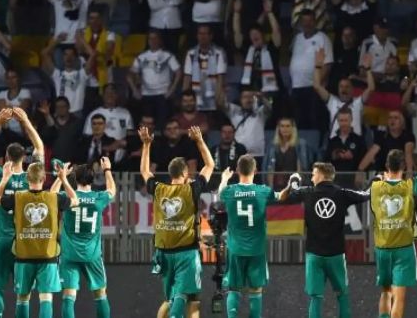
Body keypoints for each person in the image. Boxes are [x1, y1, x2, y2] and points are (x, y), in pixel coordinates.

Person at [139, 125, 215, 318]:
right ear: (184, 174)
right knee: (182, 295)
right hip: (185, 253)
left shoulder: (158, 189)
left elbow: (145, 171)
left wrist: (146, 145)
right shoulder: (191, 189)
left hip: (163, 253)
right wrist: (199, 141)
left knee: (170, 298)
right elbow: (210, 166)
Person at [278, 162, 370, 318]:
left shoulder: (307, 192)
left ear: (321, 175)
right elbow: (366, 195)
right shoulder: (342, 193)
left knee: (316, 298)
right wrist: (376, 182)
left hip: (314, 254)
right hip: (336, 254)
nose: (312, 177)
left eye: (314, 174)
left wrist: (293, 181)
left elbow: (286, 196)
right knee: (342, 295)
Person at [0, 155, 78, 318]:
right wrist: (63, 179)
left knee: (23, 297)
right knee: (46, 297)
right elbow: (75, 199)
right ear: (44, 178)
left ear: (26, 177)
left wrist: (4, 179)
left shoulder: (18, 197)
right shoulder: (53, 198)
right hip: (48, 255)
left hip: (24, 255)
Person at [0, 108, 40, 318]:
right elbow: (39, 146)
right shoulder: (32, 177)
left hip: (3, 237)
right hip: (25, 240)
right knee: (24, 291)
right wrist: (25, 121)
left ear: (5, 157)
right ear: (25, 156)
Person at [371, 149, 417, 318]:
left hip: (382, 249)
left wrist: (380, 178)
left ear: (386, 166)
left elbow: (374, 183)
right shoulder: (409, 186)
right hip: (404, 250)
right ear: (405, 167)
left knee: (386, 291)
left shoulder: (376, 187)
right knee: (399, 297)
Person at [58, 158, 117, 318]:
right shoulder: (99, 197)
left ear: (75, 179)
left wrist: (61, 177)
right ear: (92, 179)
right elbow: (112, 190)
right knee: (100, 294)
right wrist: (107, 170)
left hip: (70, 254)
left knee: (69, 297)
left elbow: (52, 195)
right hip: (92, 254)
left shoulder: (68, 196)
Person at [218, 156, 276, 318]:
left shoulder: (229, 191)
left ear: (237, 171)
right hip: (256, 250)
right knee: (256, 289)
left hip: (235, 249)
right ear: (255, 171)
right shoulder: (263, 191)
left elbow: (220, 193)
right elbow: (281, 196)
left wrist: (224, 178)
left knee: (234, 288)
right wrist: (291, 186)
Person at [128, 31, 181, 126]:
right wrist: (134, 90)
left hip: (163, 95)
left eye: (155, 38)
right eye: (150, 38)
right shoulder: (141, 57)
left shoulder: (168, 56)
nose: (153, 41)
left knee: (163, 125)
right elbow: (130, 75)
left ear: (160, 40)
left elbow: (178, 72)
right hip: (146, 96)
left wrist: (172, 90)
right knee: (146, 125)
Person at [183, 25, 227, 112]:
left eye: (205, 34)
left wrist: (219, 97)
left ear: (211, 36)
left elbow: (220, 77)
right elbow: (187, 76)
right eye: (200, 33)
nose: (202, 36)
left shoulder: (219, 52)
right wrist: (184, 97)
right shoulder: (191, 53)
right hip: (196, 95)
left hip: (213, 93)